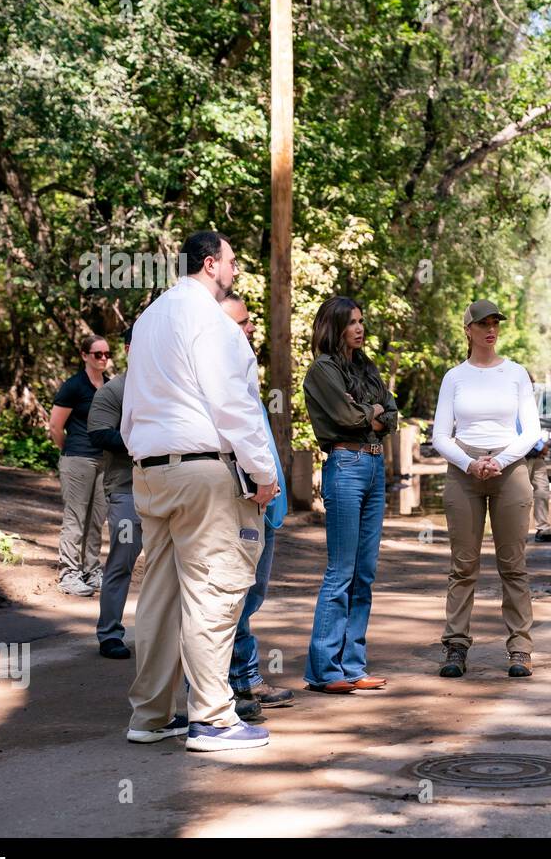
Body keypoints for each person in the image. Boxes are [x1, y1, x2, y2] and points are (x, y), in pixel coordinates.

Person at [120, 230, 279, 752]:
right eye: (231, 261)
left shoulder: (149, 318)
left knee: (160, 595)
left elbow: (131, 403)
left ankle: (151, 715)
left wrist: (142, 451)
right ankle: (212, 719)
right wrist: (262, 473)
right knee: (215, 588)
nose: (235, 269)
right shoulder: (210, 320)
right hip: (203, 473)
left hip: (151, 470)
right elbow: (232, 403)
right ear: (210, 264)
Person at [431, 300, 541, 678]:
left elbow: (532, 431)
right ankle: (456, 645)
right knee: (463, 565)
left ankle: (520, 648)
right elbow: (440, 435)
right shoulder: (454, 377)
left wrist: (501, 461)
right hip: (465, 470)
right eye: (482, 324)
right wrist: (469, 463)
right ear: (468, 330)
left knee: (513, 564)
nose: (490, 329)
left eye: (495, 322)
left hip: (508, 469)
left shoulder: (515, 373)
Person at [301, 297, 397, 694]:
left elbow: (391, 413)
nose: (359, 328)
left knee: (365, 572)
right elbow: (346, 417)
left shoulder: (366, 367)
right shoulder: (323, 369)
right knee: (341, 571)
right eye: (351, 322)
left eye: (361, 320)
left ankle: (353, 666)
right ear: (334, 326)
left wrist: (370, 412)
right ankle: (324, 671)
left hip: (374, 466)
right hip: (346, 466)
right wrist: (369, 414)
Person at [220, 292, 295, 709]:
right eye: (242, 322)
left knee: (252, 595)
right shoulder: (217, 375)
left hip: (266, 502)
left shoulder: (244, 371)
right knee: (234, 596)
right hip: (243, 499)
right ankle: (231, 685)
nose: (251, 328)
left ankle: (244, 678)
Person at [86, 327, 140, 660]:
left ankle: (170, 636)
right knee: (121, 562)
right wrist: (144, 443)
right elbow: (99, 434)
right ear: (130, 348)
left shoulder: (170, 386)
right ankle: (109, 634)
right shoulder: (114, 390)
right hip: (126, 490)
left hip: (169, 488)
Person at [49, 335, 110, 596]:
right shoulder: (74, 386)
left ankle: (91, 570)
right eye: (98, 354)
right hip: (78, 458)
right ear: (85, 355)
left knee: (96, 519)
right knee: (75, 517)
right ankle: (69, 574)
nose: (103, 358)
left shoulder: (110, 386)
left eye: (107, 353)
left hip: (105, 460)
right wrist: (70, 451)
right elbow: (55, 426)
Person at [526, 430, 551, 543]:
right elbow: (522, 430)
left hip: (537, 455)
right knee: (521, 494)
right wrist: (540, 446)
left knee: (543, 491)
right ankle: (517, 533)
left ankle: (543, 531)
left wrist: (540, 445)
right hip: (522, 456)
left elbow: (533, 429)